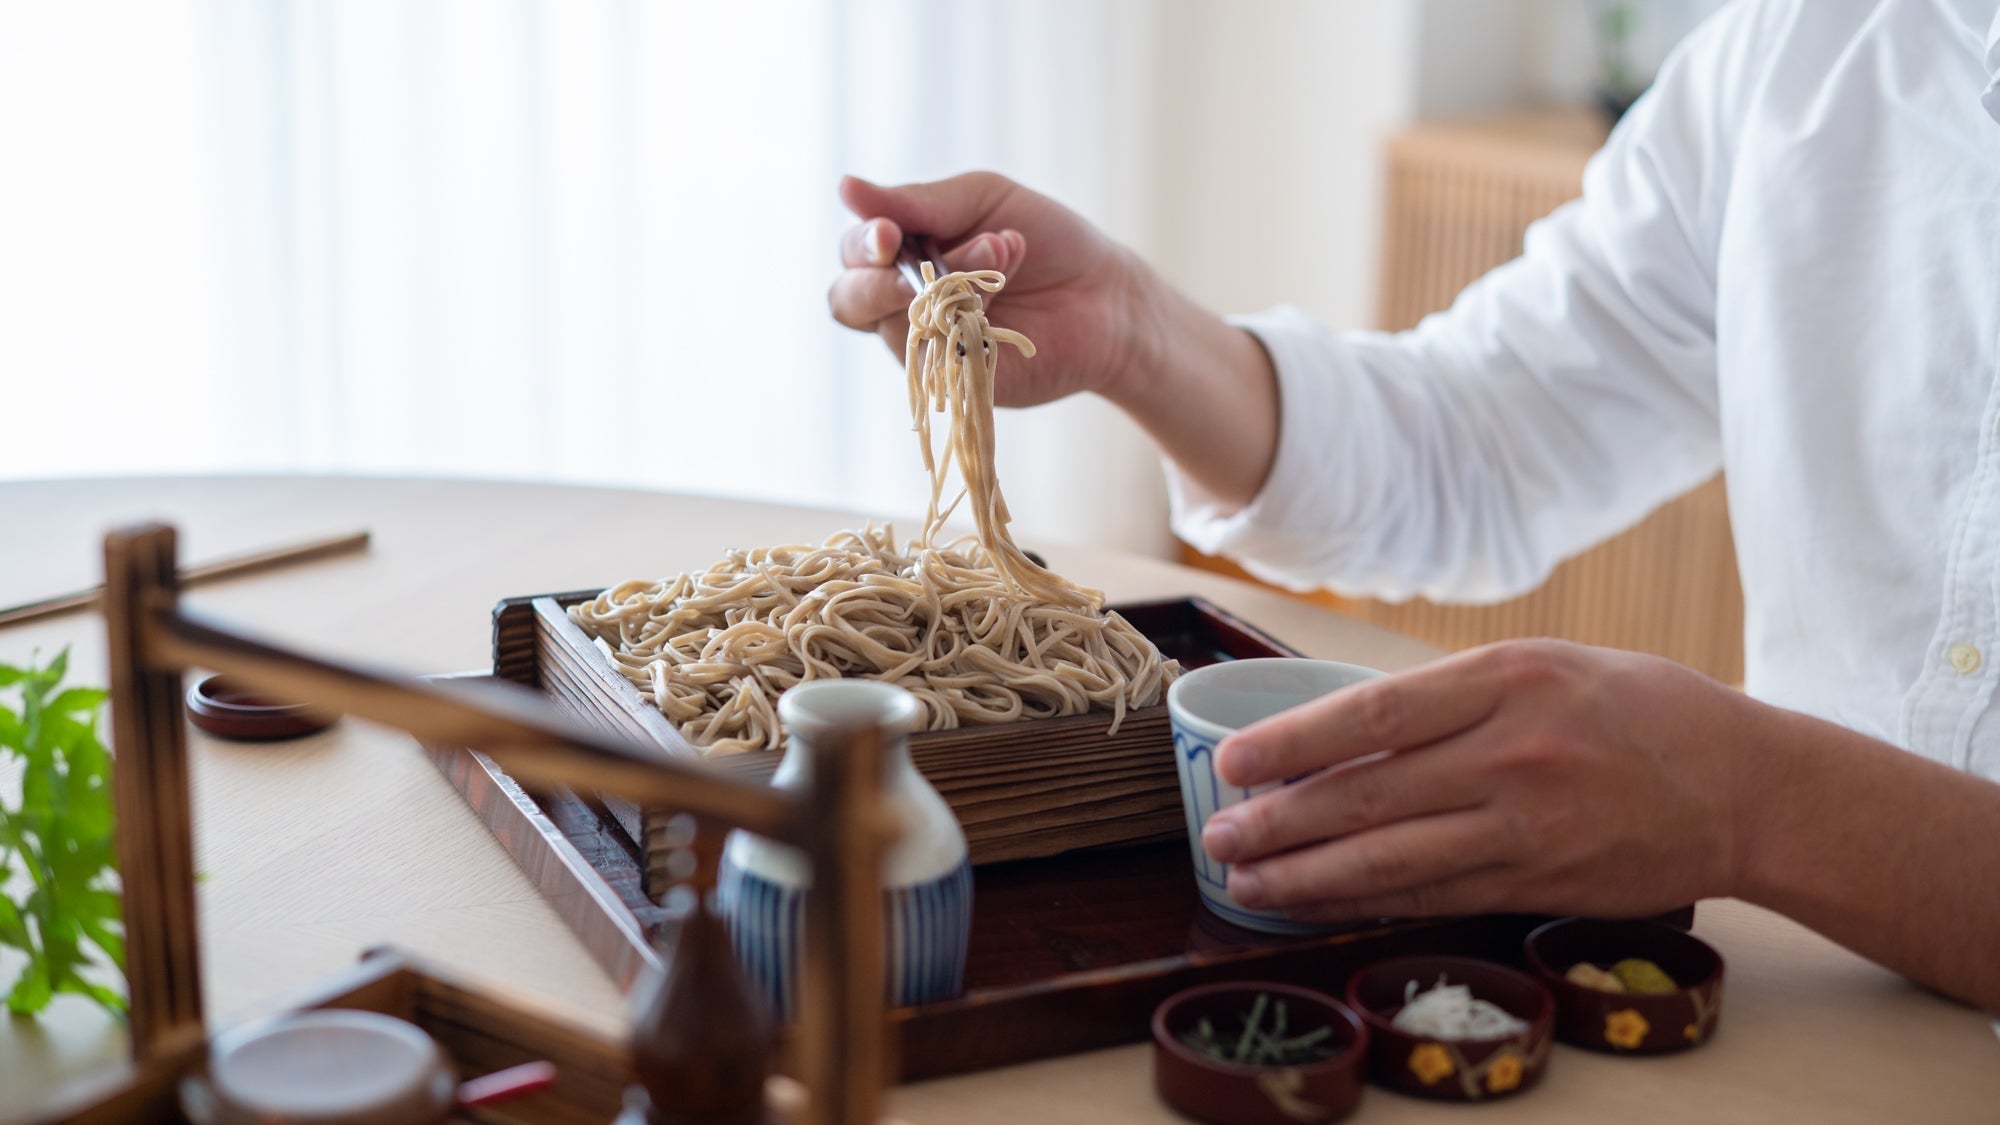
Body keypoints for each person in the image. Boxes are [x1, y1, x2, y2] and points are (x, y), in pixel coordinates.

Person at [827, 0, 2000, 1015]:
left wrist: (1756, 801)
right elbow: (1483, 438)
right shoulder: (1812, 46)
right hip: (1806, 1006)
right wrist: (1137, 333)